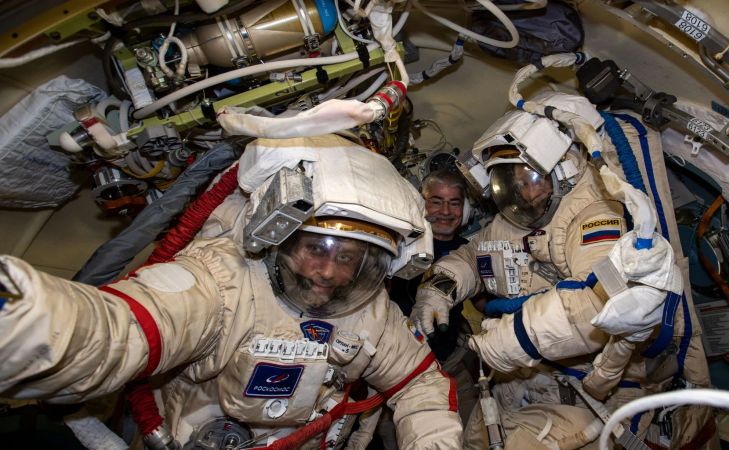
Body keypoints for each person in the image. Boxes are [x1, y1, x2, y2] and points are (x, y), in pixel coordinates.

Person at [0, 135, 462, 450]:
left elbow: (419, 383)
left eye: (347, 259)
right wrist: (28, 323)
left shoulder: (370, 314)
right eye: (313, 249)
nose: (326, 272)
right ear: (276, 236)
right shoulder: (220, 281)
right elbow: (117, 331)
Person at [412, 91, 673, 448]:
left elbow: (599, 303)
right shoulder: (508, 222)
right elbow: (471, 258)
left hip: (586, 391)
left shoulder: (593, 215)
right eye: (508, 181)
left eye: (528, 178)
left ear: (560, 169)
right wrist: (438, 289)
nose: (520, 192)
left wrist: (511, 338)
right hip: (514, 384)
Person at [373, 169, 478, 449]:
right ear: (420, 206)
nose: (445, 211)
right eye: (436, 201)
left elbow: (485, 302)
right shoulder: (394, 246)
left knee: (467, 438)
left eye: (454, 202)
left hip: (451, 366)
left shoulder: (468, 251)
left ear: (464, 210)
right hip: (396, 375)